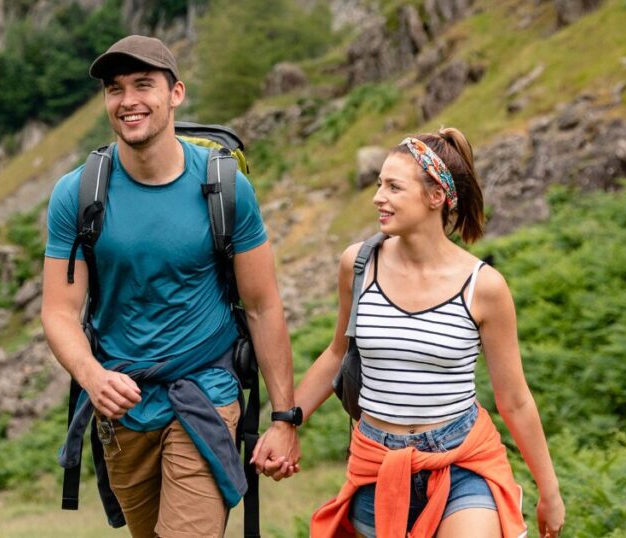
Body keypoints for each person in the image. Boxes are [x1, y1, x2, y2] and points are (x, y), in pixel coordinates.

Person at [41, 35, 301, 538]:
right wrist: (92, 376)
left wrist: (284, 417)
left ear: (175, 93)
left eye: (144, 85)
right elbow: (58, 311)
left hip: (203, 393)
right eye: (116, 89)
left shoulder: (225, 188)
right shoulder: (77, 194)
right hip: (122, 404)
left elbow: (263, 306)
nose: (128, 101)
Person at [275, 128, 565, 537]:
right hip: (377, 462)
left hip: (461, 461)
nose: (379, 197)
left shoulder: (484, 287)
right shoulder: (358, 265)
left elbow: (514, 400)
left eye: (394, 187)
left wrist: (549, 491)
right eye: (379, 185)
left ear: (436, 197)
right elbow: (337, 354)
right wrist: (286, 421)